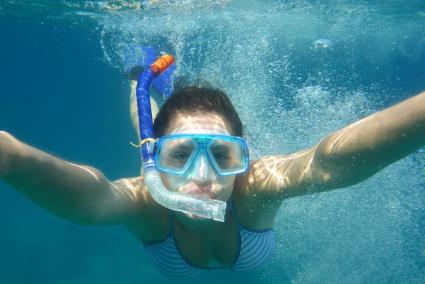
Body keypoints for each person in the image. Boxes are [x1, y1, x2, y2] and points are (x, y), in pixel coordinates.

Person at [0, 55, 424, 278]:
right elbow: (91, 197)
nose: (202, 177)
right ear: (155, 162)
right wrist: (12, 158)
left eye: (222, 156)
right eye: (180, 157)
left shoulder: (253, 187)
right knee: (144, 119)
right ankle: (139, 80)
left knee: (166, 130)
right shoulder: (145, 201)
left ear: (242, 158)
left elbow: (327, 162)